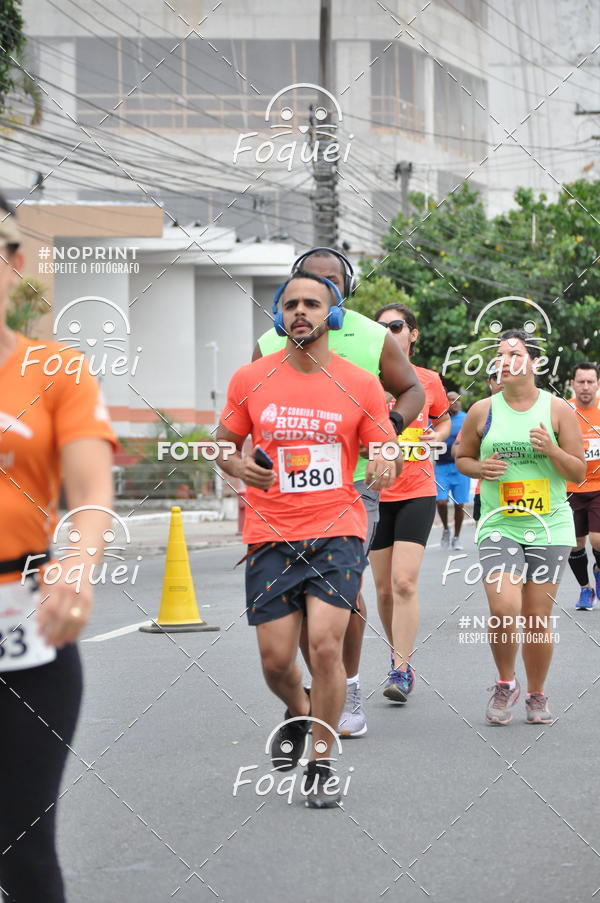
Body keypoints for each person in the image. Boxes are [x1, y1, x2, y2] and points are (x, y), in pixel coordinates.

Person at [217, 270, 399, 807]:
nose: (301, 311)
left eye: (312, 304)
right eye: (291, 303)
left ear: (331, 315)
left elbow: (384, 443)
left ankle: (321, 762)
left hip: (337, 527)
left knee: (325, 646)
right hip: (270, 532)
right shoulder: (250, 377)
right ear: (279, 314)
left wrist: (387, 460)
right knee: (276, 661)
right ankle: (298, 710)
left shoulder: (360, 383)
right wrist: (238, 464)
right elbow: (224, 442)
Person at [252, 247, 424, 737]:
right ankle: (311, 691)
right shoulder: (269, 342)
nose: (318, 292)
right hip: (285, 493)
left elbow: (413, 389)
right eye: (308, 283)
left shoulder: (372, 335)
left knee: (341, 590)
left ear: (343, 292)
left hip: (355, 484)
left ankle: (344, 688)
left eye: (330, 283)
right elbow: (245, 413)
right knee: (302, 599)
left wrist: (384, 429)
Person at [0, 194, 116, 900]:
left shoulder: (56, 370)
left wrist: (76, 562)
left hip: (27, 629)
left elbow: (92, 492)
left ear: (13, 262)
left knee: (21, 847)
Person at [456, 330, 584, 725]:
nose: (505, 360)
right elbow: (462, 456)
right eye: (500, 354)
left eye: (514, 354)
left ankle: (536, 694)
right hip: (499, 524)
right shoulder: (483, 410)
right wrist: (479, 468)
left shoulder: (558, 409)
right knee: (503, 607)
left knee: (536, 617)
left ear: (535, 363)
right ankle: (506, 682)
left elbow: (578, 472)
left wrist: (552, 450)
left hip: (549, 526)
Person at [369, 303, 450, 702]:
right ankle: (395, 651)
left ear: (412, 333)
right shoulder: (364, 379)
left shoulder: (428, 380)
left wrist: (438, 436)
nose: (389, 331)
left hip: (418, 490)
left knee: (404, 581)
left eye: (396, 326)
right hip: (374, 494)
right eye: (381, 327)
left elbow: (444, 418)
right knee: (383, 590)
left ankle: (401, 668)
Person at [566, 362, 600, 610]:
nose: (586, 387)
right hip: (569, 487)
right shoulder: (563, 410)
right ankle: (585, 589)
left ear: (597, 384)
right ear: (572, 384)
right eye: (581, 382)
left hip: (599, 486)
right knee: (575, 544)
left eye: (590, 381)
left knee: (598, 540)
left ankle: (598, 570)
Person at [452, 373, 503, 523]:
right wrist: (481, 466)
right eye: (497, 378)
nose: (502, 382)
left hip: (533, 492)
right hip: (489, 494)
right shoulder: (480, 411)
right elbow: (459, 452)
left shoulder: (540, 408)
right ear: (489, 382)